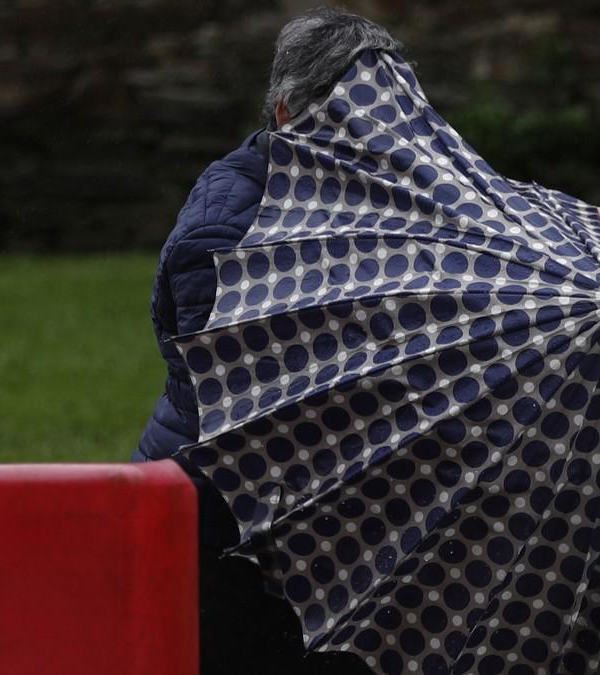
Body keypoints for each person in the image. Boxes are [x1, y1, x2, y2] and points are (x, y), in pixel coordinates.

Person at [134, 7, 401, 675]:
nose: (374, 147)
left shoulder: (366, 197)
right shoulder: (223, 234)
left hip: (324, 530)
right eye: (348, 125)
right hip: (226, 535)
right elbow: (254, 407)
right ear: (287, 114)